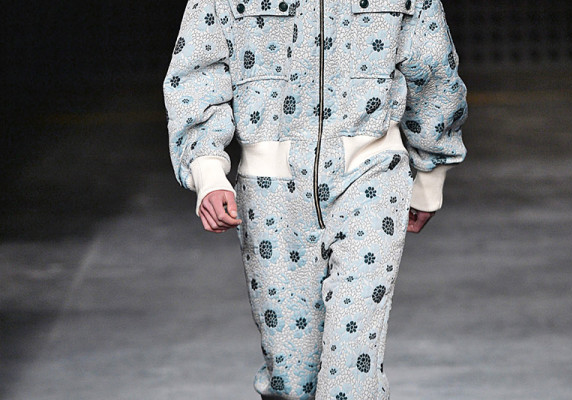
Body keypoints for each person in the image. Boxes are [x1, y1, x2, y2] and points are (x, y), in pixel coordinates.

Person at [163, 0, 467, 398]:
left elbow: (434, 64)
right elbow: (197, 71)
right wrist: (207, 170)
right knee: (291, 381)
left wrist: (430, 173)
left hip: (372, 180)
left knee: (352, 375)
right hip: (271, 197)